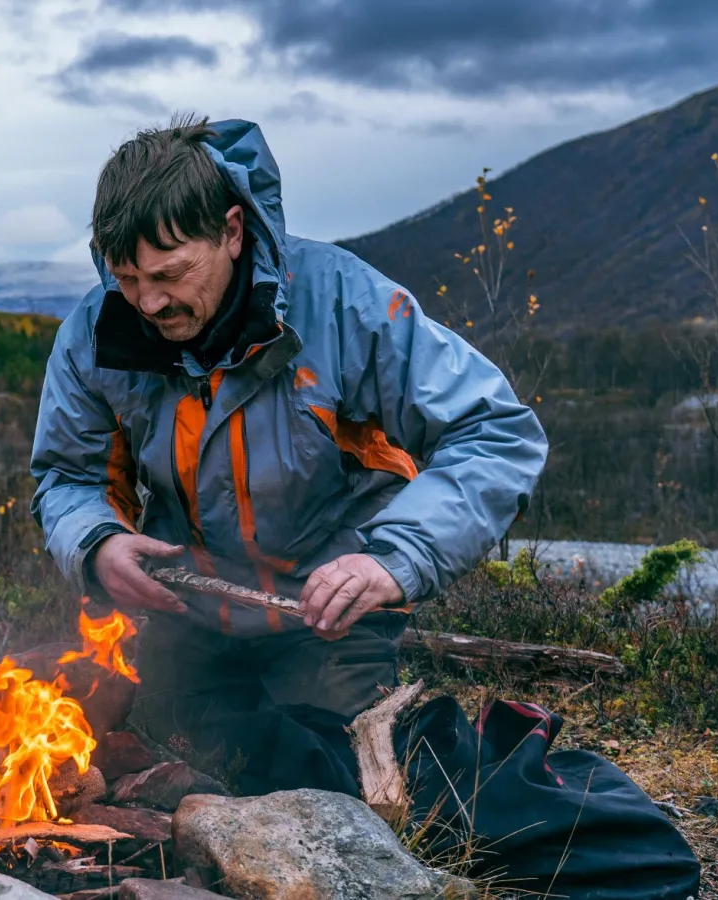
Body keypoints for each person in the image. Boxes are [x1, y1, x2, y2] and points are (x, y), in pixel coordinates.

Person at [30, 114, 547, 768]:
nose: (150, 305)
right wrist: (97, 544)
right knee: (169, 764)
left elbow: (495, 431)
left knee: (331, 774)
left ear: (233, 232)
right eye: (128, 280)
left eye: (171, 275)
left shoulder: (341, 304)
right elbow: (68, 476)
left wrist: (392, 560)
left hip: (328, 618)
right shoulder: (94, 336)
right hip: (190, 617)